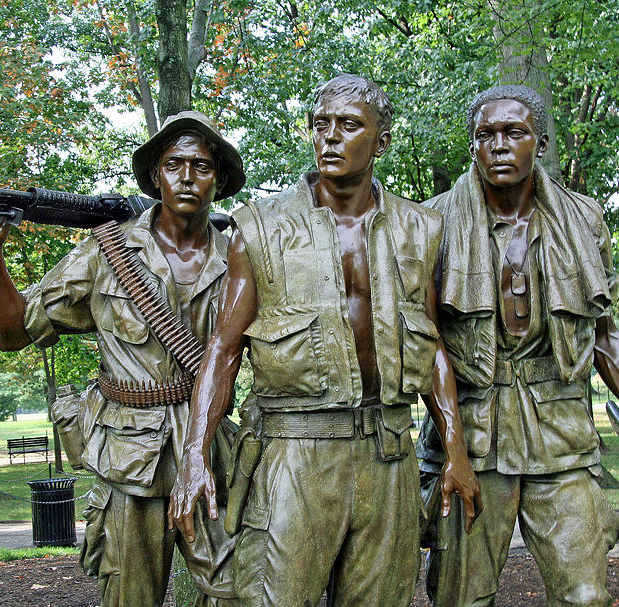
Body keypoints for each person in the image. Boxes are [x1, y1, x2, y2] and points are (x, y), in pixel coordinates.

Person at [168, 73, 482, 607]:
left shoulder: (420, 228)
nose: (330, 138)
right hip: (294, 453)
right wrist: (195, 455)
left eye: (349, 125)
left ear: (381, 140)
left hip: (387, 453)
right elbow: (223, 351)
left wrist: (455, 447)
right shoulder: (262, 228)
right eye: (321, 125)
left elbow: (429, 347)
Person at [0, 110, 246, 607]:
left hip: (211, 450)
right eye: (173, 164)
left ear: (219, 179)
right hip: (129, 458)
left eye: (200, 165)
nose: (185, 177)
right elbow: (13, 333)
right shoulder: (106, 251)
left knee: (236, 591)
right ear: (155, 176)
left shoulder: (244, 258)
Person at [416, 85, 619, 607]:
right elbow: (427, 344)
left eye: (513, 133)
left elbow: (603, 333)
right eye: (485, 135)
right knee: (459, 598)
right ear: (472, 146)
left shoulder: (583, 220)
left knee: (586, 596)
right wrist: (452, 450)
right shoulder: (432, 223)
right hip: (472, 437)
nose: (498, 146)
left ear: (538, 142)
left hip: (560, 434)